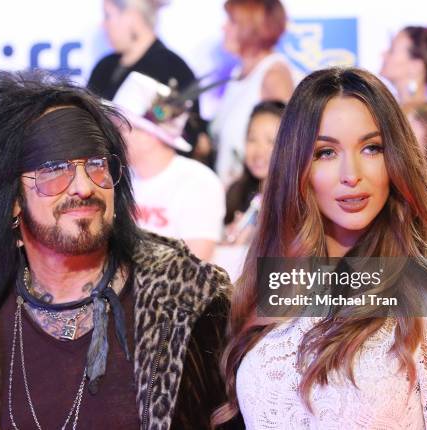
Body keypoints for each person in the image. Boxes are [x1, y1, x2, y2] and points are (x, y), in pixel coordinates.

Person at [0, 71, 239, 429]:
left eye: (96, 166)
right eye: (54, 169)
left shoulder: (188, 298)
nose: (83, 186)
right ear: (13, 199)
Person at [213, 67, 427, 428]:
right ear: (297, 166)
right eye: (326, 152)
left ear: (396, 159)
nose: (351, 173)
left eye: (372, 148)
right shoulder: (272, 281)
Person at [114, 71, 225, 261]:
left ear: (149, 136)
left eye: (121, 129)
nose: (114, 137)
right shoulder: (116, 178)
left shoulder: (198, 183)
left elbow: (196, 265)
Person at [88, 0, 202, 146]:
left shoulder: (174, 69)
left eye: (108, 15)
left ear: (132, 16)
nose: (103, 24)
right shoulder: (104, 68)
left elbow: (188, 136)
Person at [210, 0, 294, 184]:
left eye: (232, 22)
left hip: (255, 199)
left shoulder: (273, 75)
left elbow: (289, 149)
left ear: (251, 28)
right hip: (232, 195)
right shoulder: (238, 73)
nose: (224, 28)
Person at [224, 100, 284, 244]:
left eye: (271, 141)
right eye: (252, 139)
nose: (259, 152)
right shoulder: (235, 194)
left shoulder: (299, 204)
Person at [380, 26, 427, 106]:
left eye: (391, 50)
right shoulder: (399, 110)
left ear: (415, 67)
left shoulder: (422, 117)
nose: (383, 55)